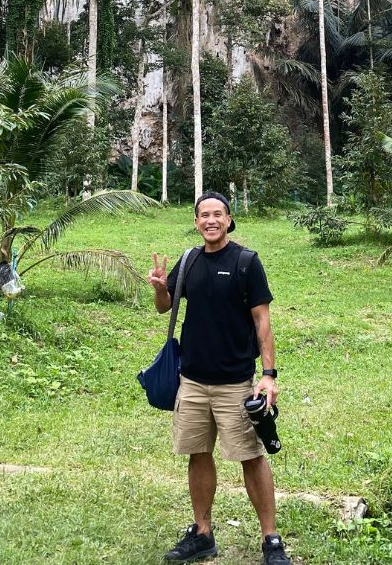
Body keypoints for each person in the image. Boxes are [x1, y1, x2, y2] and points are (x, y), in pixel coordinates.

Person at [148, 191, 290, 564]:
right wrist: (160, 289)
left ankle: (271, 539)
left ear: (228, 220)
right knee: (198, 454)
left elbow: (262, 321)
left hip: (235, 383)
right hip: (192, 380)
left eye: (217, 214)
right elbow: (165, 307)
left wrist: (268, 375)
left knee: (251, 457)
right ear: (196, 222)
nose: (210, 221)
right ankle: (202, 533)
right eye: (204, 215)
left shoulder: (246, 262)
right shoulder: (189, 261)